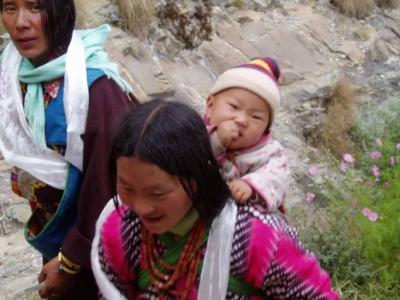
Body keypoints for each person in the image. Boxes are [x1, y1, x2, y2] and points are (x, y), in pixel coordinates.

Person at [91, 99, 338, 299]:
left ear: (197, 178)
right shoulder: (121, 228)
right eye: (127, 187)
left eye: (158, 193)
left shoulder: (257, 238)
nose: (141, 207)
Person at [0, 0, 138, 298]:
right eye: (9, 7)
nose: (20, 22)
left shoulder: (98, 89)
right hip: (53, 235)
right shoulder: (14, 74)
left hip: (99, 248)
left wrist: (70, 261)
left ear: (61, 10)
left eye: (35, 7)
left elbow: (109, 185)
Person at [205, 57, 288, 213]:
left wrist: (251, 186)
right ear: (210, 105)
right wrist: (216, 141)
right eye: (234, 107)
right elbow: (184, 159)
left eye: (256, 117)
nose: (242, 120)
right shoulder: (193, 131)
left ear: (266, 129)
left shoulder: (269, 153)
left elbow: (278, 179)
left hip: (239, 221)